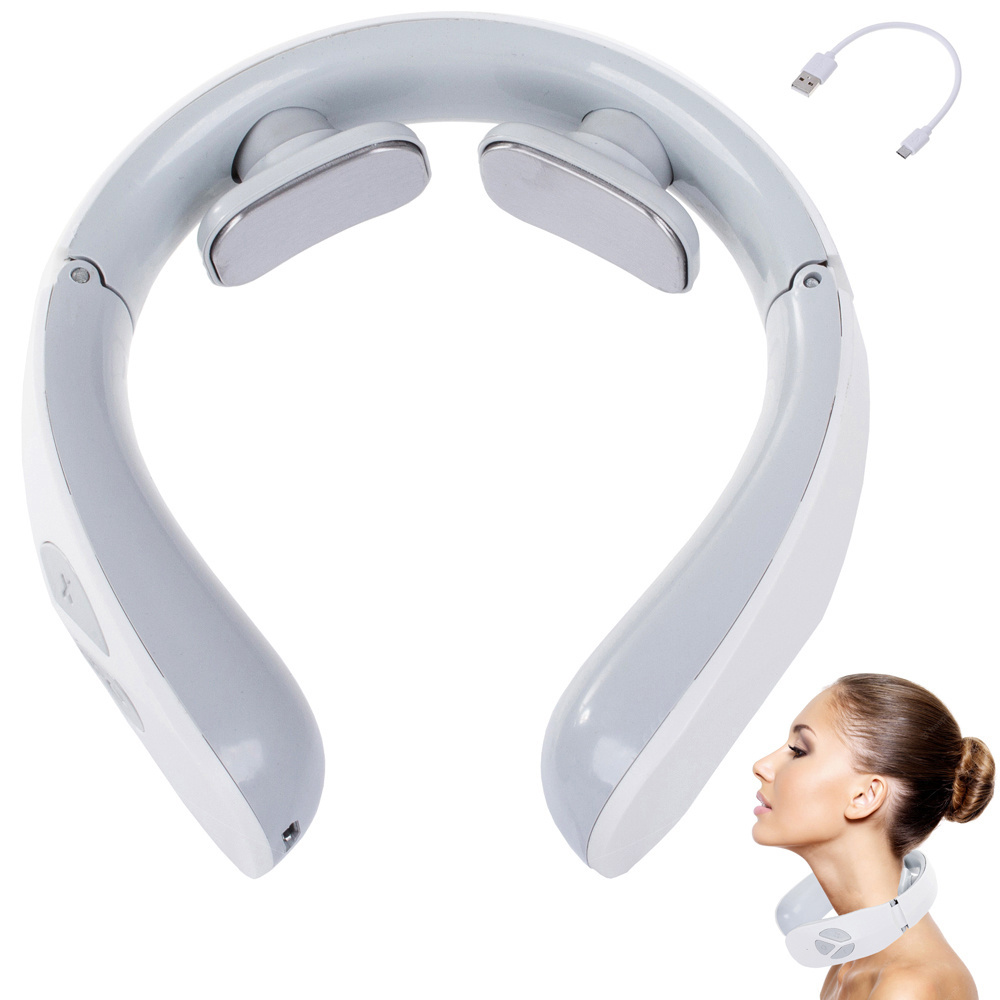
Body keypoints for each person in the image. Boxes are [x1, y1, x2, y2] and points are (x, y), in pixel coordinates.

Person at [752, 673, 994, 999]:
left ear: (864, 796)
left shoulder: (908, 987)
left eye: (798, 750)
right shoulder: (851, 965)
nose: (762, 766)